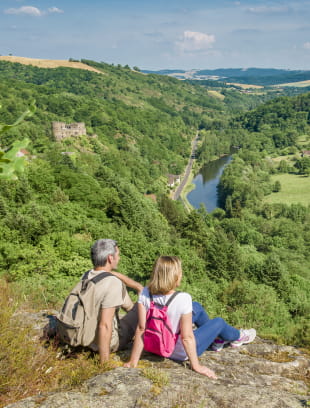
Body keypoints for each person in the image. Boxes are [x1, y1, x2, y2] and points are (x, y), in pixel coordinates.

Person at [124, 256, 256, 378]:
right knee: (219, 322)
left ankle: (217, 339)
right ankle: (238, 336)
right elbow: (187, 337)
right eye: (180, 273)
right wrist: (196, 366)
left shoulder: (145, 292)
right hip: (179, 353)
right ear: (174, 277)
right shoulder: (183, 298)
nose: (181, 275)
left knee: (196, 307)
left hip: (155, 346)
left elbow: (141, 329)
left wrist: (133, 361)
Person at [85, 239, 142, 364]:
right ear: (110, 258)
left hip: (84, 335)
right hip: (105, 342)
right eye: (118, 255)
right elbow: (104, 325)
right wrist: (104, 363)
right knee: (140, 307)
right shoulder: (113, 283)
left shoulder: (87, 275)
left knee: (131, 309)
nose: (119, 258)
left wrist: (135, 286)